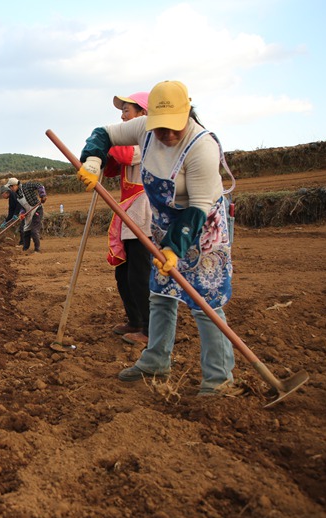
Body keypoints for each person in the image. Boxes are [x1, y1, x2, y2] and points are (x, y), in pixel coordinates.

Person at [79, 80, 237, 396]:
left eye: (173, 127)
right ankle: (156, 360)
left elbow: (199, 207)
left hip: (202, 226)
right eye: (160, 127)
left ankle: (218, 379)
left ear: (187, 114)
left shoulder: (201, 146)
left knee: (203, 298)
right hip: (164, 223)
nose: (165, 134)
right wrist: (92, 161)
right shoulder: (145, 130)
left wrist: (175, 249)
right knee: (161, 291)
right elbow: (104, 134)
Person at [103, 91, 152, 347]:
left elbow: (122, 154)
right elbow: (112, 165)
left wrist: (105, 140)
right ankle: (135, 320)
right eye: (122, 112)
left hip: (144, 215)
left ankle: (149, 328)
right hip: (128, 214)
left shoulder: (147, 141)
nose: (122, 116)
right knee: (123, 274)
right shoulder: (129, 141)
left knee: (140, 274)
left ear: (143, 115)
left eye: (127, 111)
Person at [5, 177, 47, 253]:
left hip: (37, 209)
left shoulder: (27, 186)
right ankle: (25, 249)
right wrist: (22, 213)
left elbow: (39, 185)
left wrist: (42, 195)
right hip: (28, 212)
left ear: (15, 185)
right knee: (26, 230)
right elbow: (22, 206)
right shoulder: (17, 195)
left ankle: (37, 249)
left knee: (34, 231)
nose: (10, 189)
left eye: (10, 187)